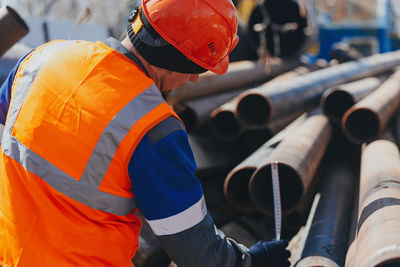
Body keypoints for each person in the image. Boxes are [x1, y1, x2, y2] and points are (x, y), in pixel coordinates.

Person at [0, 0, 291, 266]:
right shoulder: (154, 127)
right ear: (177, 58)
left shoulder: (41, 59)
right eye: (196, 67)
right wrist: (250, 261)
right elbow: (192, 247)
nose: (193, 78)